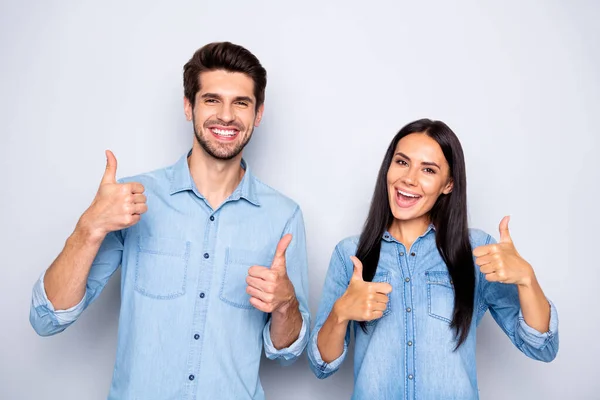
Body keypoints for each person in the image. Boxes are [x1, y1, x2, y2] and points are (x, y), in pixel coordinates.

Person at [29, 42, 310, 400]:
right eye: (211, 100)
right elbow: (46, 319)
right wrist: (88, 229)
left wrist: (285, 304)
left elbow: (286, 354)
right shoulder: (132, 200)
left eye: (241, 102)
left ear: (258, 114)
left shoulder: (283, 216)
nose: (226, 115)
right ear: (188, 106)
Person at [307, 118, 558, 399]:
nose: (409, 179)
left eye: (428, 169)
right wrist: (340, 314)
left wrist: (527, 279)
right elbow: (322, 365)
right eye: (402, 162)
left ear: (448, 184)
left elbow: (541, 347)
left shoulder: (477, 250)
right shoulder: (351, 254)